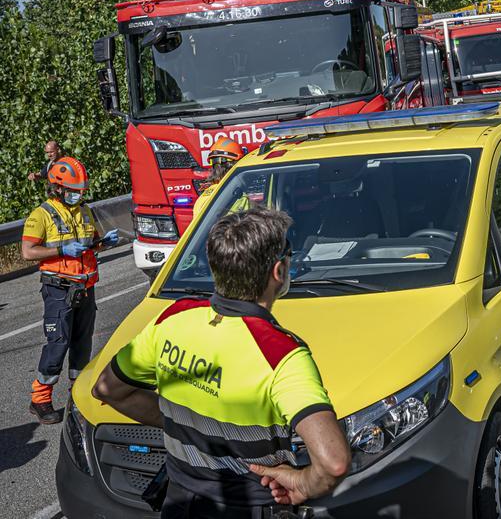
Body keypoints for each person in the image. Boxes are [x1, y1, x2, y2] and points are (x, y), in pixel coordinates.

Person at [92, 207, 351, 515]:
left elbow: (107, 389)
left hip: (178, 501)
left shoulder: (173, 319)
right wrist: (302, 482)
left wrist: (182, 423)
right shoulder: (281, 353)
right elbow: (333, 463)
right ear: (278, 271)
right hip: (251, 505)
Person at [22, 156, 121, 423]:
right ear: (56, 187)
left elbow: (87, 245)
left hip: (85, 287)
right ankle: (40, 399)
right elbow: (28, 251)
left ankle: (76, 396)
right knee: (58, 344)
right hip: (58, 289)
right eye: (73, 191)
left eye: (80, 192)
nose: (78, 195)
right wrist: (60, 249)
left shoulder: (84, 211)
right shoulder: (41, 214)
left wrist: (101, 243)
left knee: (82, 344)